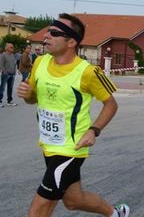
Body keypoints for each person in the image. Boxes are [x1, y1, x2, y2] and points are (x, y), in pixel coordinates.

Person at [16, 13, 129, 217]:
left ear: (71, 42)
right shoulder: (40, 62)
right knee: (74, 200)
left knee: (39, 208)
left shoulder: (88, 72)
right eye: (49, 31)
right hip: (49, 144)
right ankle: (116, 214)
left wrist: (94, 130)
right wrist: (28, 94)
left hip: (71, 148)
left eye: (54, 33)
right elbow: (33, 100)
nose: (47, 36)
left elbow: (111, 104)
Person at [0, 43, 18, 107]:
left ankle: (9, 101)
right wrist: (5, 72)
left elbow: (14, 64)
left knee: (10, 88)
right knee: (2, 88)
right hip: (5, 75)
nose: (13, 48)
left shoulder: (13, 55)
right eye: (11, 47)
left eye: (12, 47)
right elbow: (1, 65)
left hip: (12, 74)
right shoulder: (3, 55)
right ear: (7, 48)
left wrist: (14, 72)